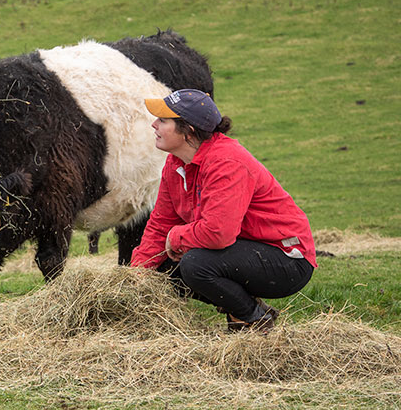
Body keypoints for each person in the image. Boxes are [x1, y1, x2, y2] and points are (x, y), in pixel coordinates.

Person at [129, 89, 316, 331]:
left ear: (188, 131)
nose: (154, 124)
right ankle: (247, 307)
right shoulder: (176, 163)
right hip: (242, 251)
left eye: (163, 121)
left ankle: (253, 318)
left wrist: (175, 238)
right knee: (162, 267)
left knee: (195, 264)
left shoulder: (226, 162)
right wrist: (135, 277)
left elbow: (218, 233)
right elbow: (161, 223)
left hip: (286, 258)